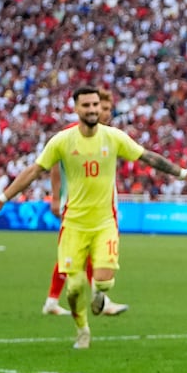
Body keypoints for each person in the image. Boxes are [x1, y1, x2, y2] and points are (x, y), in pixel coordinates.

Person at [0, 86, 187, 349]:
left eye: (95, 105)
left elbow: (147, 156)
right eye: (86, 105)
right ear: (76, 109)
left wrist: (183, 173)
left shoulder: (113, 137)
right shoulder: (62, 141)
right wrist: (4, 198)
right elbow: (34, 170)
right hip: (73, 224)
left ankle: (100, 296)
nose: (92, 110)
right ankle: (82, 329)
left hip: (104, 223)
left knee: (104, 280)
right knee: (74, 289)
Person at [42, 88, 130, 317]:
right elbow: (53, 165)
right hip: (76, 203)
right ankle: (91, 297)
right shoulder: (71, 135)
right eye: (104, 108)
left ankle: (62, 299)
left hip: (102, 202)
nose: (106, 113)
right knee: (75, 255)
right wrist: (55, 196)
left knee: (85, 254)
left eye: (108, 109)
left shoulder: (109, 135)